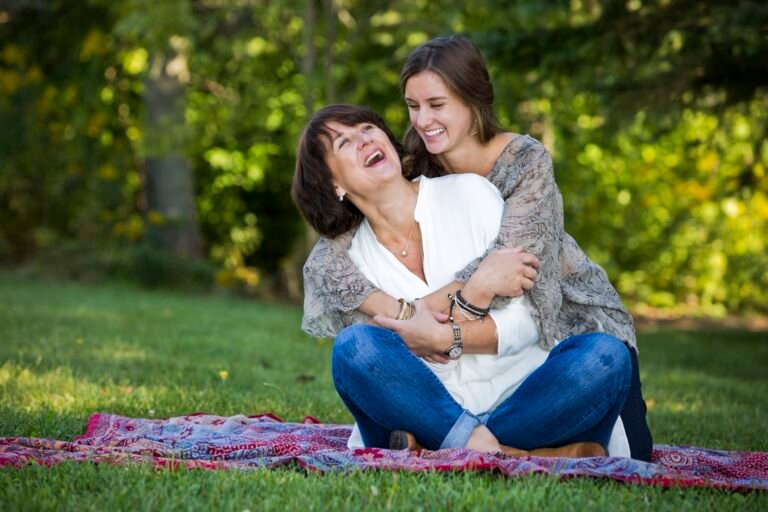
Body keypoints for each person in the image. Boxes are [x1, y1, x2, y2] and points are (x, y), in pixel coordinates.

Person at [300, 36, 653, 461]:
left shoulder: (504, 176)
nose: (422, 120)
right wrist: (470, 294)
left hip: (563, 320)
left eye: (436, 104)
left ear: (472, 102)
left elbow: (527, 296)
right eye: (413, 107)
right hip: (442, 395)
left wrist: (434, 327)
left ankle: (446, 446)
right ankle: (514, 450)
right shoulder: (413, 161)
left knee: (605, 360)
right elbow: (375, 336)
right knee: (355, 347)